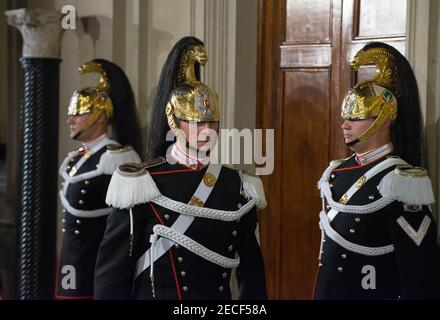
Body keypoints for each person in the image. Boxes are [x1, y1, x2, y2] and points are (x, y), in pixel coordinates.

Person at [94, 37, 267, 300]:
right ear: (174, 122)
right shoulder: (141, 183)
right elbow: (112, 273)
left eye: (213, 122)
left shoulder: (239, 185)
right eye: (197, 123)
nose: (207, 131)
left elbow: (251, 274)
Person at [314, 42, 440, 300]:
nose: (345, 125)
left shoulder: (401, 182)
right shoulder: (338, 172)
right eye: (345, 115)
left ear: (383, 120)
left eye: (356, 116)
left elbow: (419, 273)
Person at [56, 59, 143, 299]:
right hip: (72, 258)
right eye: (70, 113)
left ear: (101, 116)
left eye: (79, 113)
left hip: (99, 265)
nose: (70, 120)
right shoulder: (77, 158)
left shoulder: (117, 157)